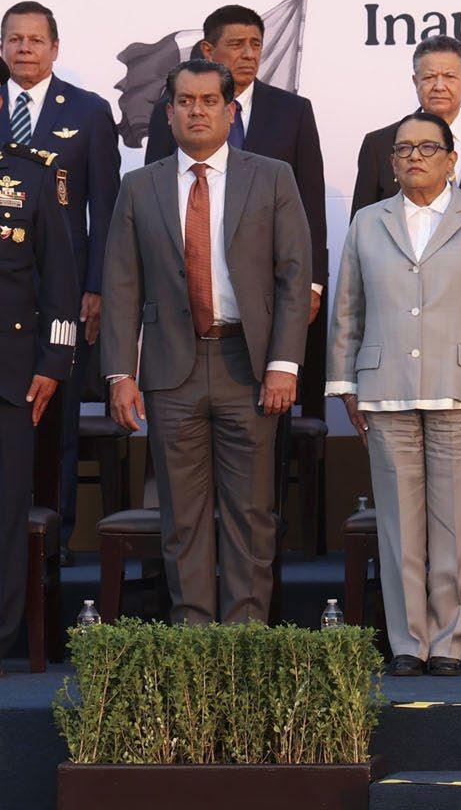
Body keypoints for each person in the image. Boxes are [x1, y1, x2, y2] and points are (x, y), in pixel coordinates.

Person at [102, 59, 312, 625]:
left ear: (230, 110)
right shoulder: (139, 186)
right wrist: (120, 374)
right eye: (186, 101)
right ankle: (193, 640)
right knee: (182, 518)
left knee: (251, 514)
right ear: (168, 113)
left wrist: (284, 364)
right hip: (171, 369)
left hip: (249, 364)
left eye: (209, 101)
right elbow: (120, 286)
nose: (197, 111)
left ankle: (244, 639)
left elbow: (295, 277)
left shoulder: (272, 177)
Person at [326, 112, 461, 677]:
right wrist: (345, 384)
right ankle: (408, 643)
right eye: (404, 148)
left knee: (455, 525)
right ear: (391, 162)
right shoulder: (368, 222)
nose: (415, 156)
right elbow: (348, 308)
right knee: (398, 526)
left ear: (451, 159)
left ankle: (449, 643)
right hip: (384, 388)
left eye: (428, 147)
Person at [1, 1, 120, 564]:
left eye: (35, 39)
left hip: (62, 294)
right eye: (14, 39)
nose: (25, 48)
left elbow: (106, 207)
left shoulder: (90, 112)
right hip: (6, 292)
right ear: (3, 47)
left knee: (59, 418)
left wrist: (95, 288)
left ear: (55, 48)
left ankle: (56, 542)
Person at [146, 5, 328, 324]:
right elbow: (154, 197)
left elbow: (310, 202)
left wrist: (312, 282)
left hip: (271, 282)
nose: (249, 54)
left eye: (255, 44)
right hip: (189, 285)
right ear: (207, 50)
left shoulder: (293, 111)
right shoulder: (174, 111)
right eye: (236, 44)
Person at [351, 35, 461, 298]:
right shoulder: (380, 144)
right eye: (430, 77)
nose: (439, 86)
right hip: (396, 300)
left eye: (450, 76)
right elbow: (361, 238)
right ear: (415, 81)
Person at [0, 131, 78, 675]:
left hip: (10, 377)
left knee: (5, 514)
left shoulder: (29, 174)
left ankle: (1, 634)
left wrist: (54, 362)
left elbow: (60, 279)